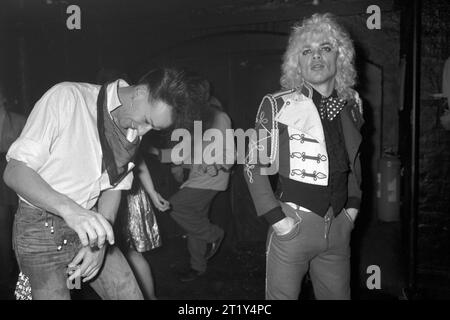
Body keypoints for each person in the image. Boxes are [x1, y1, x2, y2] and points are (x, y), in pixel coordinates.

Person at [3, 67, 200, 299]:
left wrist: (100, 244)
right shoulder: (68, 98)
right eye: (147, 121)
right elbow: (14, 172)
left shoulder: (130, 133)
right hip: (41, 229)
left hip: (90, 225)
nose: (143, 132)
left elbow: (114, 187)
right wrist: (71, 211)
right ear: (140, 92)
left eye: (153, 128)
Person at [244, 13, 364, 300]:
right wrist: (278, 221)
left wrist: (353, 207)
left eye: (326, 48)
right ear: (297, 62)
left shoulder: (353, 104)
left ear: (341, 56)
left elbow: (355, 158)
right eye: (306, 51)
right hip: (293, 225)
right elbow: (253, 163)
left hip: (339, 226)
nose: (316, 57)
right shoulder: (276, 104)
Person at [161, 77, 234, 282]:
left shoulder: (219, 117)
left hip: (211, 180)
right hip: (197, 179)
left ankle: (214, 235)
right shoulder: (197, 119)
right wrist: (162, 155)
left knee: (175, 207)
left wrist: (215, 165)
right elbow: (190, 152)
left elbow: (230, 156)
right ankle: (198, 267)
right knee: (196, 223)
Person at [117, 155, 170, 300]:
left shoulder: (122, 133)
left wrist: (152, 193)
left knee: (131, 252)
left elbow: (138, 160)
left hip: (123, 195)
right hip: (93, 197)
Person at [0, 86, 26, 299]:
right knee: (2, 229)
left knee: (19, 228)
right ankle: (6, 276)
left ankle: (23, 274)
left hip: (18, 183)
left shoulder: (19, 120)